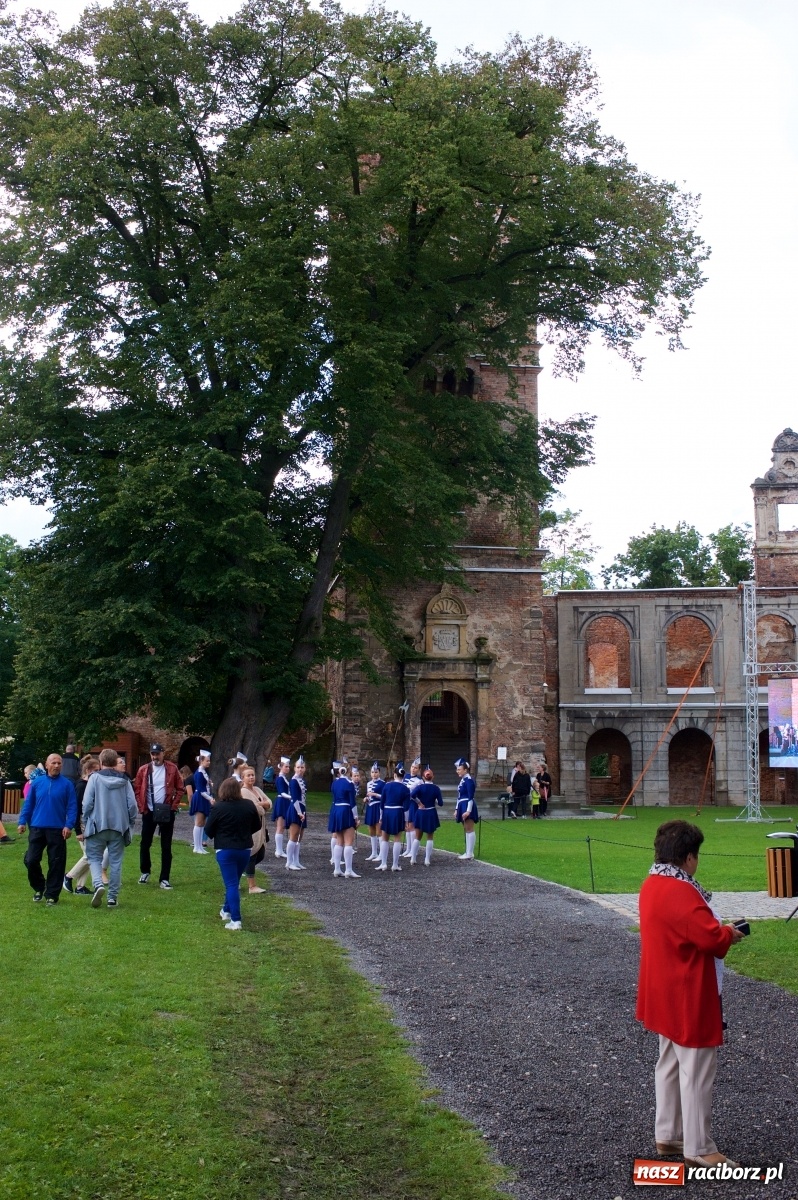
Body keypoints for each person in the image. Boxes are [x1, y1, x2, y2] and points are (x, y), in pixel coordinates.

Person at [636, 820, 744, 1169]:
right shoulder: (681, 892)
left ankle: (668, 1133)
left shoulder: (652, 884)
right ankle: (698, 1145)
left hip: (662, 988)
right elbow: (712, 940)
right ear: (687, 857)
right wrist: (730, 932)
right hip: (687, 992)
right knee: (696, 1069)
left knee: (668, 1063)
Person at [82, 748, 138, 908]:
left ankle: (98, 884)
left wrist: (85, 820)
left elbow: (87, 803)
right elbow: (132, 805)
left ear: (100, 763)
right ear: (115, 762)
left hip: (97, 825)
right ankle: (112, 897)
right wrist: (130, 822)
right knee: (116, 862)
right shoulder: (125, 781)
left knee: (93, 857)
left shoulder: (94, 779)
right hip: (119, 828)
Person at [17, 752, 77, 904]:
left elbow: (72, 807)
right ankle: (39, 887)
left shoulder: (67, 784)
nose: (56, 766)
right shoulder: (37, 783)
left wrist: (68, 825)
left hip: (57, 829)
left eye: (59, 763)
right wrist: (22, 821)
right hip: (37, 827)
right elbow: (28, 804)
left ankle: (51, 894)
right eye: (53, 763)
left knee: (56, 862)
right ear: (47, 764)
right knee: (31, 860)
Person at [204, 777, 262, 931]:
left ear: (222, 790)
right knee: (234, 882)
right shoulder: (248, 805)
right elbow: (257, 825)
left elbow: (208, 831)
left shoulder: (218, 807)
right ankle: (226, 910)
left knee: (231, 885)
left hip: (225, 849)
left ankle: (236, 920)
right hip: (244, 849)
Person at [133, 743, 185, 889]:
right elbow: (137, 789)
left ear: (163, 753)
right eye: (153, 754)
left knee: (166, 846)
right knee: (145, 843)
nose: (155, 756)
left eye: (157, 754)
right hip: (149, 811)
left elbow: (180, 789)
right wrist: (141, 806)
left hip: (166, 810)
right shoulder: (144, 770)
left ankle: (164, 878)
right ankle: (145, 871)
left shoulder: (171, 768)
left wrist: (173, 807)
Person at [63, 754, 101, 894]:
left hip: (92, 824)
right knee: (91, 855)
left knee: (92, 855)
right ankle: (68, 876)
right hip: (83, 824)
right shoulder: (81, 786)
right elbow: (76, 808)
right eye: (96, 770)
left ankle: (80, 886)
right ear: (89, 770)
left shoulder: (92, 785)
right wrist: (78, 830)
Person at [240, 765, 272, 893]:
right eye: (248, 775)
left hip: (262, 827)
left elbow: (269, 802)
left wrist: (264, 804)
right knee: (252, 854)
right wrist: (263, 805)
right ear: (243, 778)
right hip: (251, 827)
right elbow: (255, 809)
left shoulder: (257, 789)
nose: (251, 777)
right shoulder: (243, 792)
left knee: (261, 854)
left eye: (252, 775)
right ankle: (252, 886)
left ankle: (238, 873)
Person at [328, 765, 360, 879]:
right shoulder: (349, 783)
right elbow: (353, 802)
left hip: (336, 810)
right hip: (346, 810)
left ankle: (337, 869)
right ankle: (348, 870)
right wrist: (356, 817)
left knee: (339, 841)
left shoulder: (334, 783)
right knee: (348, 842)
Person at [376, 763, 408, 872]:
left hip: (387, 811)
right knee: (397, 838)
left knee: (385, 837)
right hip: (398, 812)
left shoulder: (387, 786)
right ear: (403, 776)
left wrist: (381, 816)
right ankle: (395, 864)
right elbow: (406, 807)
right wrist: (406, 821)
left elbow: (382, 803)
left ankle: (384, 863)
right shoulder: (405, 789)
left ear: (394, 775)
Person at [411, 768, 443, 865]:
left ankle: (413, 858)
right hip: (430, 813)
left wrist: (419, 802)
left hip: (421, 812)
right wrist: (435, 800)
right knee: (430, 837)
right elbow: (441, 803)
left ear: (423, 778)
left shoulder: (420, 787)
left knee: (417, 836)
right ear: (433, 777)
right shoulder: (436, 788)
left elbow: (412, 795)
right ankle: (427, 859)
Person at [285, 755, 308, 871]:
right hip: (296, 809)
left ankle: (296, 861)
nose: (300, 769)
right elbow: (294, 799)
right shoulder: (294, 781)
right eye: (298, 767)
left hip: (302, 809)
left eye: (302, 767)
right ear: (294, 768)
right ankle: (289, 862)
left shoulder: (302, 780)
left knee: (299, 837)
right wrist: (299, 812)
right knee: (293, 836)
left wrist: (303, 811)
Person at [190, 750, 213, 854]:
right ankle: (196, 847)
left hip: (203, 797)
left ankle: (200, 846)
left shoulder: (203, 771)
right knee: (198, 822)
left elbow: (205, 786)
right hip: (200, 798)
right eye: (207, 761)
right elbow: (200, 790)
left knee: (202, 823)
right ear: (202, 761)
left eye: (209, 761)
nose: (209, 762)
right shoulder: (199, 773)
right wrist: (210, 798)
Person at [454, 757, 478, 860]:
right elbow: (459, 796)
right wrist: (456, 809)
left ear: (465, 770)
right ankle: (468, 851)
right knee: (466, 829)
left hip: (468, 805)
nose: (457, 771)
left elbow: (470, 797)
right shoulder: (463, 780)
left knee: (469, 828)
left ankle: (470, 852)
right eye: (457, 769)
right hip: (462, 805)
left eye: (459, 769)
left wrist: (468, 810)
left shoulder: (469, 780)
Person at [402, 757, 423, 859]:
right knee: (407, 827)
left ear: (418, 770)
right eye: (412, 767)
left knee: (412, 826)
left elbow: (420, 794)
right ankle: (408, 848)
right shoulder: (405, 777)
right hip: (405, 803)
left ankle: (413, 850)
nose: (413, 769)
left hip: (413, 803)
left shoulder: (419, 781)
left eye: (415, 768)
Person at [363, 762, 384, 861]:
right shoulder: (368, 783)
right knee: (371, 830)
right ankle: (374, 852)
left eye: (376, 772)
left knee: (379, 829)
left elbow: (384, 797)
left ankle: (381, 854)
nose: (374, 774)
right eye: (372, 772)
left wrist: (375, 794)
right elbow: (368, 795)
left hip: (378, 807)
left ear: (379, 773)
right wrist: (366, 799)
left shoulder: (383, 783)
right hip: (370, 807)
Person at [272, 756, 292, 859]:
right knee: (280, 827)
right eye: (286, 767)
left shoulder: (283, 777)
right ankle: (278, 850)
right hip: (282, 802)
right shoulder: (280, 778)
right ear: (281, 767)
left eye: (288, 767)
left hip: (285, 802)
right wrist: (292, 797)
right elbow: (282, 792)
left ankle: (280, 850)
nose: (288, 768)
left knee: (282, 827)